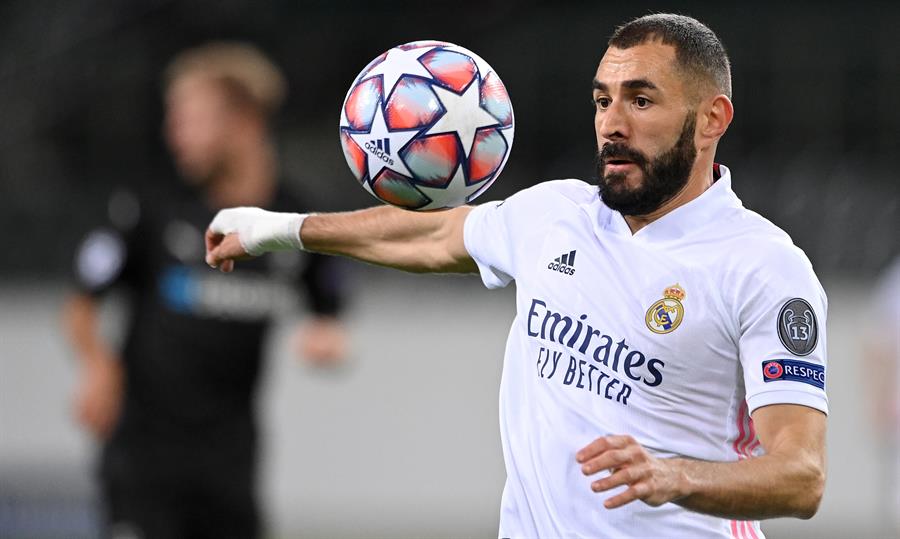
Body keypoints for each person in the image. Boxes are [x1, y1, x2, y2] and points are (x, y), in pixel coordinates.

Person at [206, 15, 827, 538]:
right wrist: (280, 228)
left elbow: (800, 476)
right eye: (601, 99)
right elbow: (430, 233)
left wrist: (674, 475)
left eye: (641, 100)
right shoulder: (556, 215)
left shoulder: (763, 267)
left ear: (713, 118)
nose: (612, 123)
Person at [64, 42, 347, 539]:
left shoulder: (294, 218)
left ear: (244, 121)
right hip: (143, 457)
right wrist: (97, 364)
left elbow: (327, 307)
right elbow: (81, 304)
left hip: (231, 462)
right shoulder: (151, 207)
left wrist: (326, 334)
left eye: (188, 120)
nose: (174, 136)